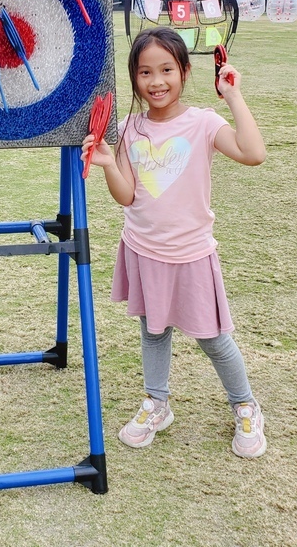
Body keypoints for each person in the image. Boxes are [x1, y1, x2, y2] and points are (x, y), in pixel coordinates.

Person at [82, 27, 268, 459]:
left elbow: (253, 153)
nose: (156, 81)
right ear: (134, 79)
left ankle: (245, 405)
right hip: (143, 249)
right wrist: (109, 163)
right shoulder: (127, 127)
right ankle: (157, 403)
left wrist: (233, 96)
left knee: (214, 338)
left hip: (190, 254)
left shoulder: (203, 122)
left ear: (184, 72)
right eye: (145, 72)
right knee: (152, 330)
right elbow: (127, 195)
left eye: (166, 69)